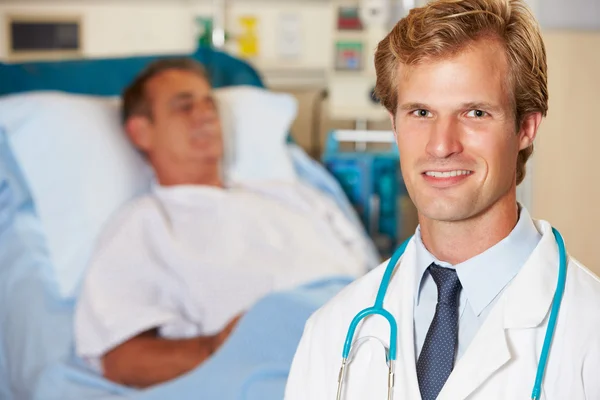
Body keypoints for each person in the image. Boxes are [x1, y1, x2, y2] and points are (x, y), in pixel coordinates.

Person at [284, 0, 600, 399]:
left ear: (526, 127)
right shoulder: (333, 332)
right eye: (420, 112)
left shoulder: (590, 334)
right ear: (395, 124)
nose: (441, 145)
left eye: (475, 113)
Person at [74, 58, 379, 389]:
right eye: (184, 107)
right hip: (282, 353)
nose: (205, 114)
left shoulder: (297, 196)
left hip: (367, 334)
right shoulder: (141, 226)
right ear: (141, 131)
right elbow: (122, 361)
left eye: (209, 104)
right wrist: (219, 346)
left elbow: (377, 279)